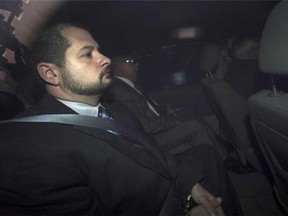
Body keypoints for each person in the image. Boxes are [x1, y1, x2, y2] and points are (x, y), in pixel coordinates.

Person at [0, 23, 241, 215]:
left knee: (207, 156)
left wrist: (190, 184)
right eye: (87, 54)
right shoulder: (27, 149)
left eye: (99, 50)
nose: (104, 58)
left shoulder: (114, 110)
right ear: (51, 73)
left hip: (164, 184)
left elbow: (153, 151)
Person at [104, 55, 227, 159]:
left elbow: (148, 105)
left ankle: (218, 151)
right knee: (195, 125)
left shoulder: (129, 85)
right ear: (118, 66)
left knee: (188, 113)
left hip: (158, 126)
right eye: (131, 62)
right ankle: (221, 159)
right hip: (152, 139)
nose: (137, 65)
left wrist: (164, 109)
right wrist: (171, 120)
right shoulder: (118, 90)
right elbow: (143, 125)